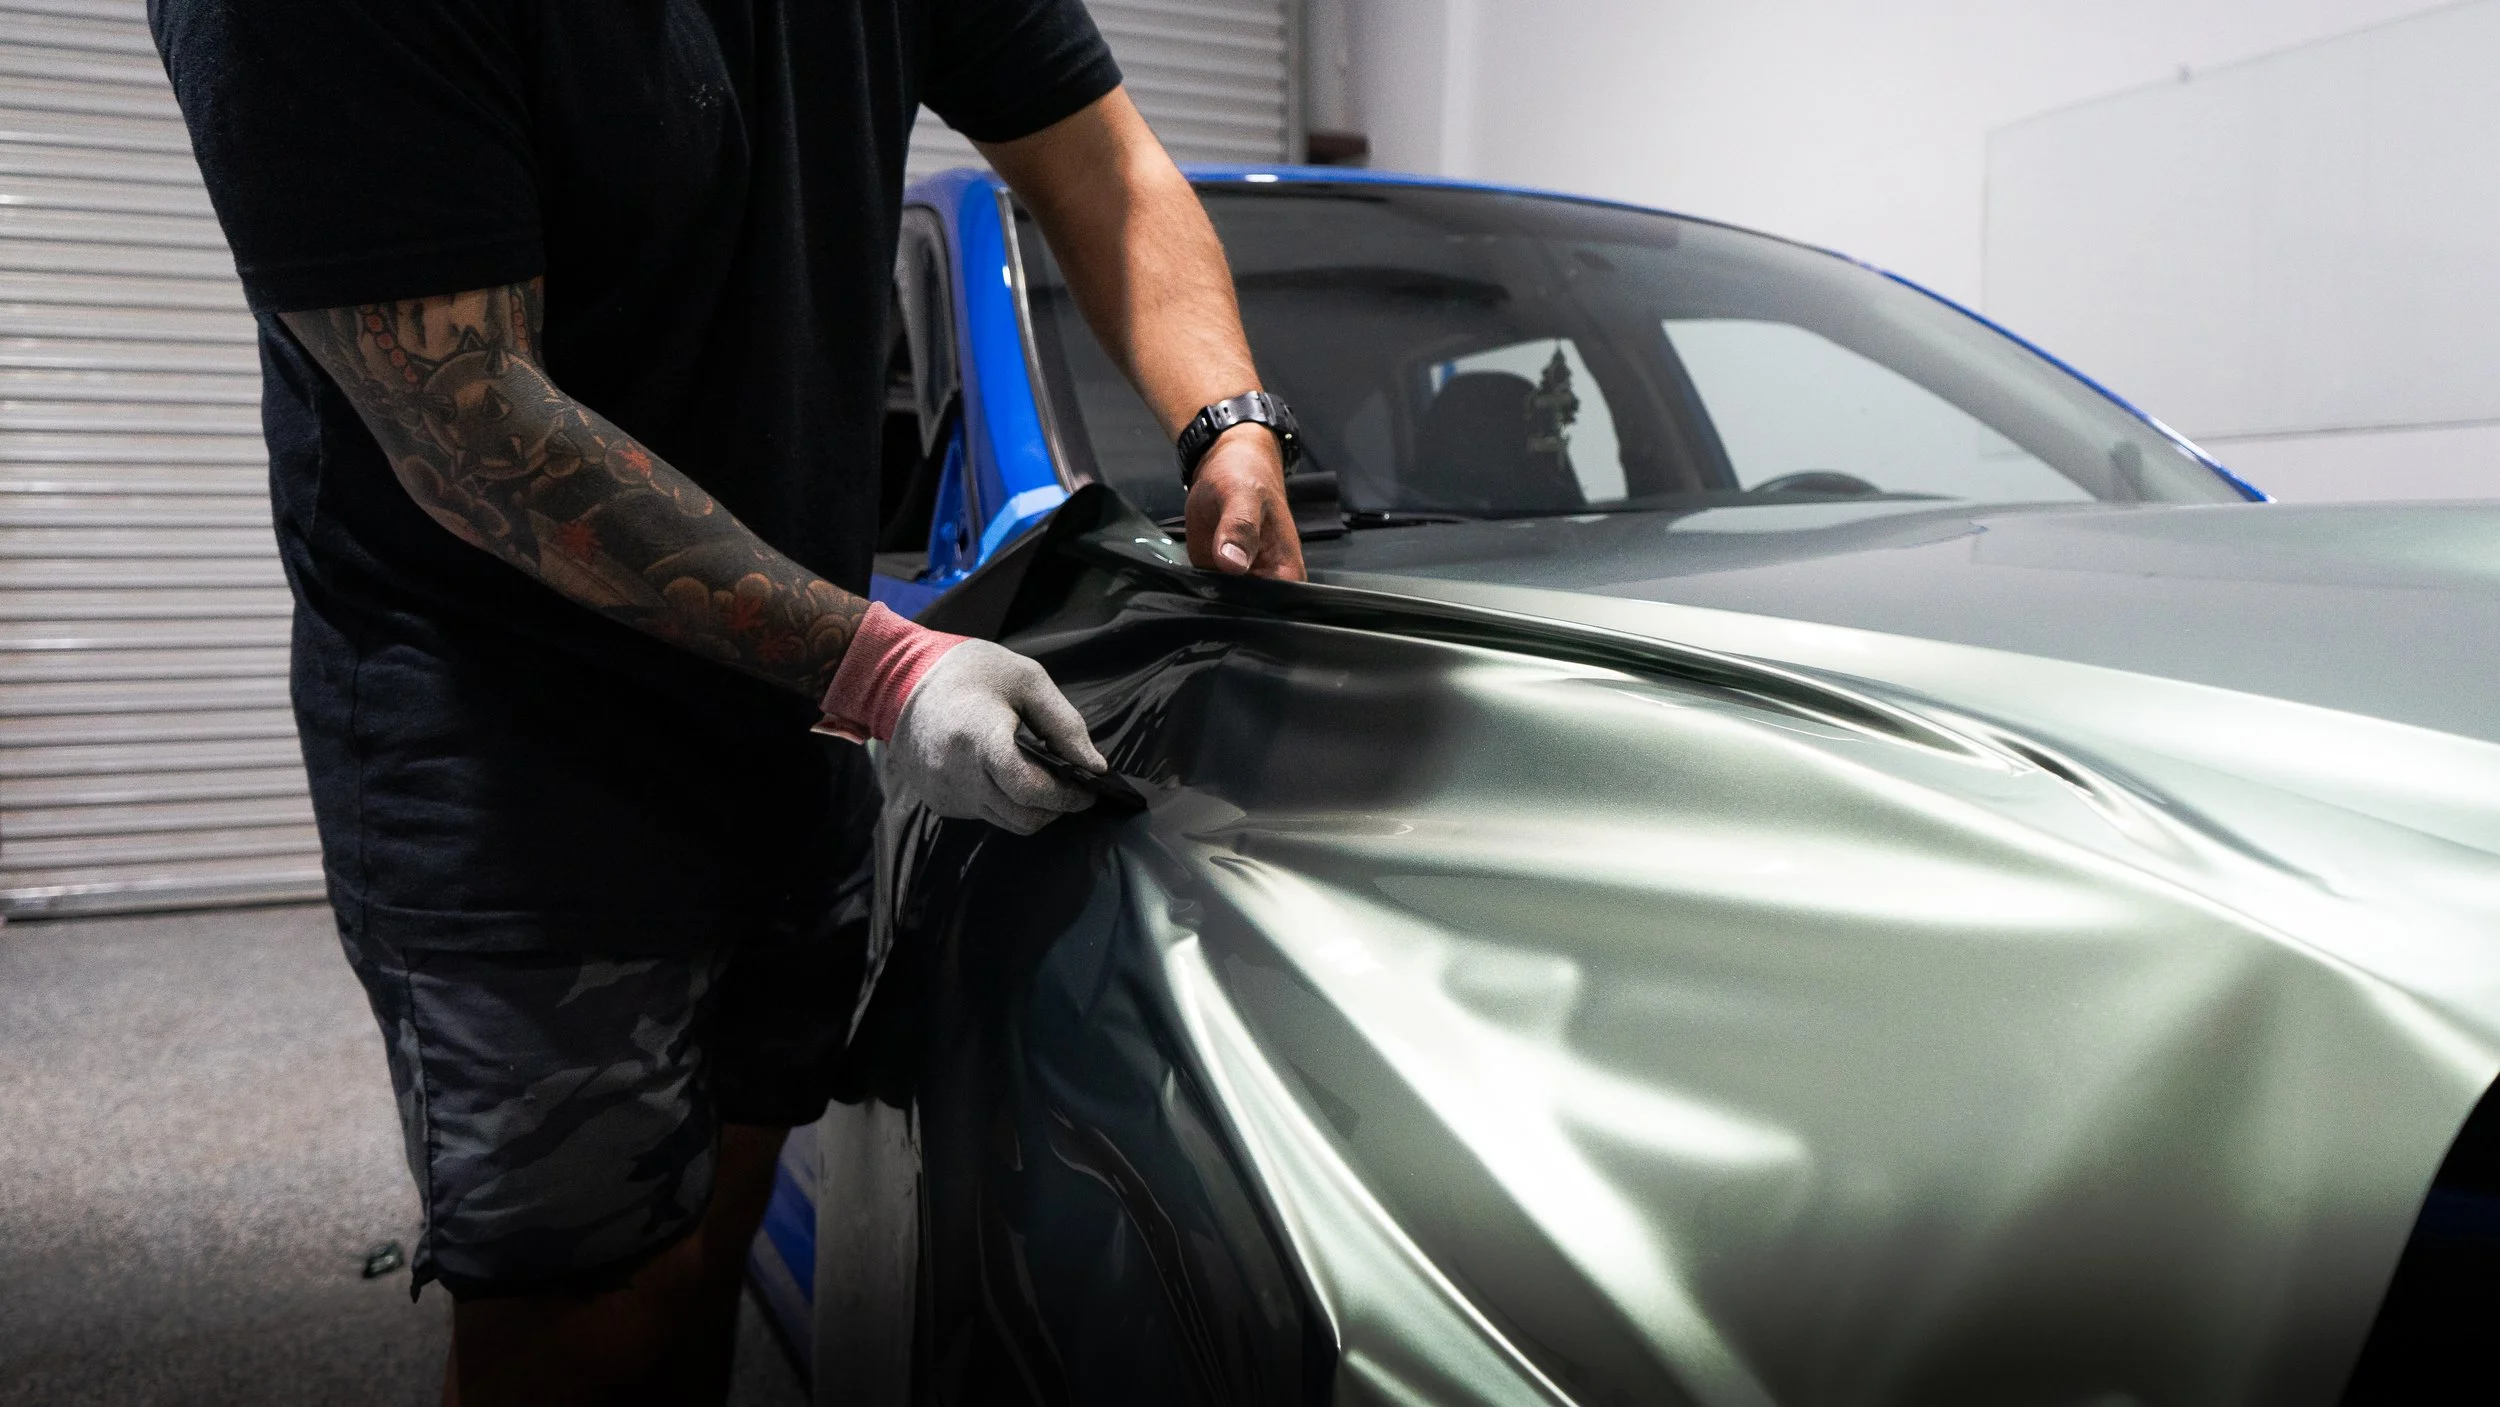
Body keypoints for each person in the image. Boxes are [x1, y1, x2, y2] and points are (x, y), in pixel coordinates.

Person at [149, 1, 1306, 1401]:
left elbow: (1099, 164)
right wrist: (887, 666)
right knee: (588, 1310)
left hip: (790, 705)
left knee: (713, 1227)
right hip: (516, 744)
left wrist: (1227, 418)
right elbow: (468, 422)